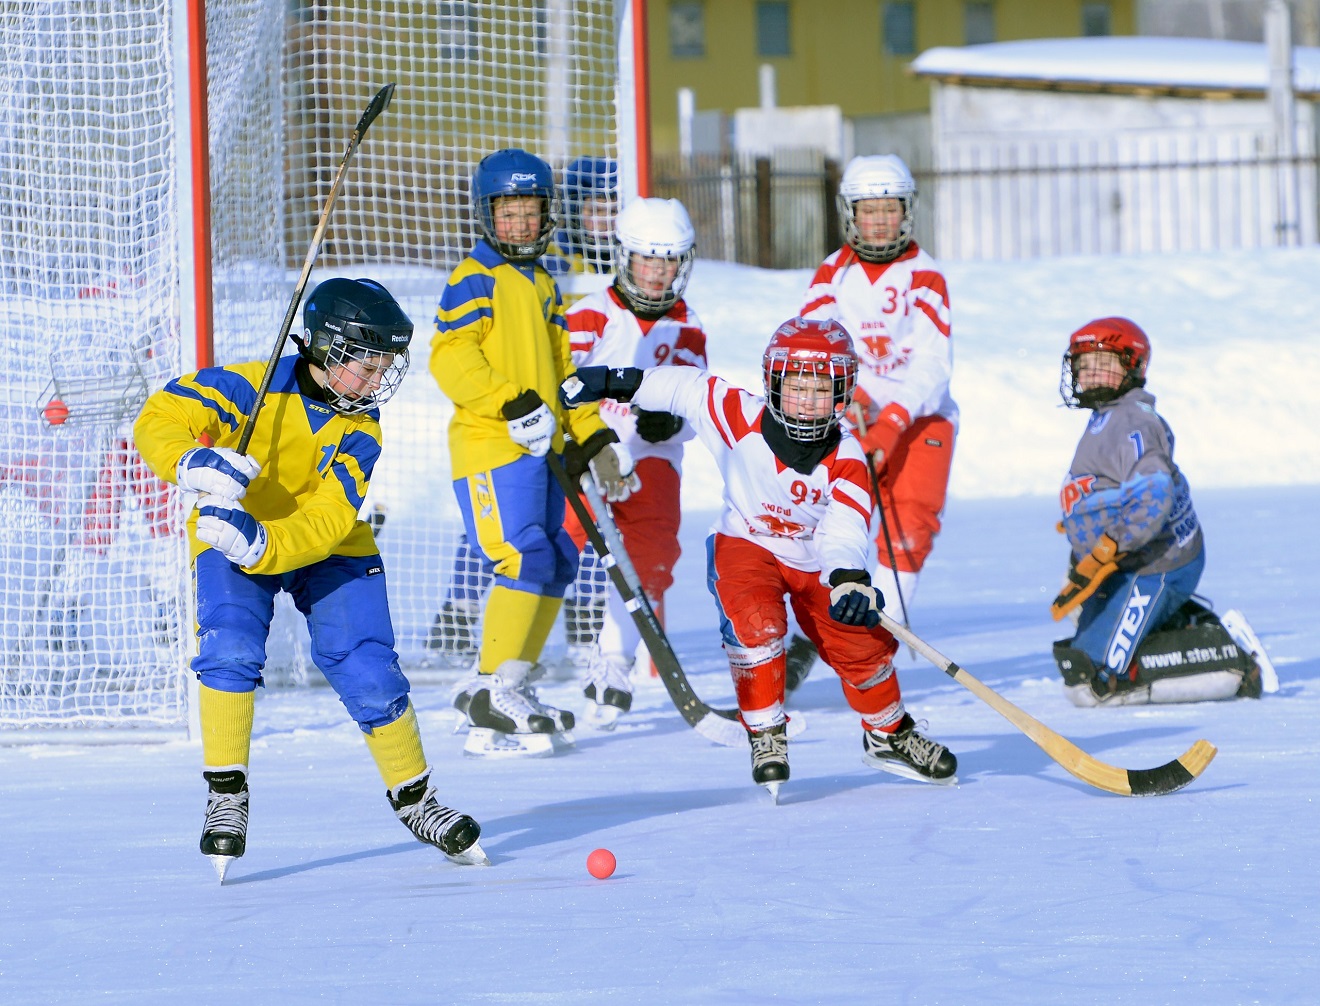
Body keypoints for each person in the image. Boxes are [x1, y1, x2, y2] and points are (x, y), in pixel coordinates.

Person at [133, 277, 484, 880]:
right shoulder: (249, 383)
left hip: (322, 545)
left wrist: (266, 545)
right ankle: (227, 795)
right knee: (231, 645)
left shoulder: (363, 427)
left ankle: (417, 800)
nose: (377, 382)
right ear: (328, 350)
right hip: (230, 531)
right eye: (367, 366)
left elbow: (326, 520)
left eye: (384, 368)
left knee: (367, 664)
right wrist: (190, 460)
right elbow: (161, 414)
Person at [560, 317, 957, 797]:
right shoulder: (737, 414)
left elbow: (845, 529)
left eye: (820, 388)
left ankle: (888, 735)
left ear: (843, 392)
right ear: (772, 382)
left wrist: (849, 578)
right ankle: (767, 733)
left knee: (862, 646)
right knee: (756, 624)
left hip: (815, 561)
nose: (807, 400)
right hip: (745, 542)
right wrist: (616, 382)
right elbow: (686, 388)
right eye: (795, 387)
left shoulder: (849, 457)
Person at [430, 147, 639, 758]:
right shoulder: (474, 278)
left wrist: (593, 436)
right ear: (486, 215)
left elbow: (563, 371)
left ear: (548, 215)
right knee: (521, 558)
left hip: (544, 451)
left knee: (554, 562)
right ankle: (490, 688)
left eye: (529, 211)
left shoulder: (544, 282)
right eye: (507, 212)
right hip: (492, 449)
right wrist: (509, 403)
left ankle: (511, 684)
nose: (518, 223)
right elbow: (451, 357)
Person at [1051, 317, 1264, 705]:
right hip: (1127, 560)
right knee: (1077, 655)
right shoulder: (1107, 416)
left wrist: (1108, 546)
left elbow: (1154, 496)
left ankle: (1234, 662)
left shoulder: (1135, 423)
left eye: (1103, 362)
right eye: (1082, 363)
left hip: (1156, 564)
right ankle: (1183, 620)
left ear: (1133, 365)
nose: (1088, 372)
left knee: (1091, 685)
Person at [563, 196, 707, 727]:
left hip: (652, 460)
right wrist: (585, 441)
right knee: (555, 544)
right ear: (624, 257)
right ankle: (510, 669)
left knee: (652, 554)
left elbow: (699, 402)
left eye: (668, 261)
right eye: (648, 260)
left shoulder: (687, 327)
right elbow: (560, 386)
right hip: (587, 454)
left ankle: (614, 659)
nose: (657, 273)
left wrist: (675, 422)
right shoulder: (587, 315)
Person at [800, 154, 956, 618]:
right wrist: (847, 400)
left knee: (908, 525)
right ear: (851, 214)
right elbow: (814, 347)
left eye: (890, 209)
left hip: (919, 417)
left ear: (907, 211)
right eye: (869, 210)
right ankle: (811, 635)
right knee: (823, 521)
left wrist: (891, 422)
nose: (880, 221)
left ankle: (881, 631)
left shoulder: (925, 274)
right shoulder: (832, 273)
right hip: (850, 418)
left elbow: (932, 364)